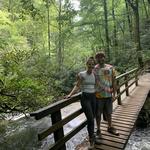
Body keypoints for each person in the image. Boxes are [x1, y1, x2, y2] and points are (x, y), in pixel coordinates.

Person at [66, 58, 96, 149]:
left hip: (93, 97)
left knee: (92, 118)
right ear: (86, 64)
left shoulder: (95, 74)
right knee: (90, 119)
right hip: (85, 98)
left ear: (94, 65)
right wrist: (70, 95)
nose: (91, 66)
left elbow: (97, 85)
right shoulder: (81, 74)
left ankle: (92, 136)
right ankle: (91, 140)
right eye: (89, 64)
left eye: (92, 64)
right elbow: (77, 86)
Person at [93, 52, 119, 138]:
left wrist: (114, 94)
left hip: (108, 94)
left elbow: (114, 81)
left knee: (109, 112)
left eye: (102, 57)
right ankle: (99, 130)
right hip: (98, 96)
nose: (100, 59)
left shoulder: (111, 68)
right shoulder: (94, 69)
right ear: (96, 59)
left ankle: (110, 127)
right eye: (98, 58)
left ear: (105, 57)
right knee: (98, 114)